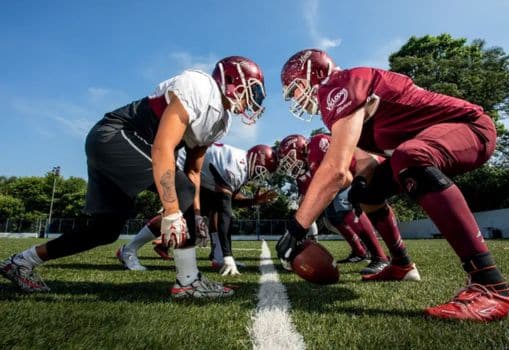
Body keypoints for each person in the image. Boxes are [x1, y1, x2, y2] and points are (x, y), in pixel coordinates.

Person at [276, 49, 509, 321]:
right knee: (367, 191)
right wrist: (360, 185)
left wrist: (296, 228)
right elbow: (363, 165)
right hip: (427, 142)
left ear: (315, 75)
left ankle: (492, 285)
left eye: (295, 89)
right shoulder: (343, 101)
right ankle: (402, 264)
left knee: (410, 157)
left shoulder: (338, 85)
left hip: (470, 127)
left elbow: (335, 170)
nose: (295, 99)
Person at [0, 56, 266, 299]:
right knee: (180, 191)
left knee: (104, 230)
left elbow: (193, 171)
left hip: (120, 146)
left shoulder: (221, 122)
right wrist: (173, 211)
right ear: (232, 80)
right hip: (115, 135)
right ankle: (187, 282)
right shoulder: (200, 86)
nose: (255, 99)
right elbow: (162, 147)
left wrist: (195, 214)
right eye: (254, 90)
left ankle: (22, 261)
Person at [117, 143, 278, 275]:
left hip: (193, 173)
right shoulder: (236, 166)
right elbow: (226, 211)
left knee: (213, 206)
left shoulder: (241, 164)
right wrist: (229, 255)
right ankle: (128, 250)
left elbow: (229, 200)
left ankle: (218, 257)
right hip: (174, 164)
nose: (260, 177)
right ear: (255, 161)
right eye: (261, 171)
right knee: (180, 212)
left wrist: (254, 201)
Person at [277, 133, 389, 274]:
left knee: (342, 202)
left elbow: (344, 178)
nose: (290, 165)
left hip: (366, 172)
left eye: (290, 159)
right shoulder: (302, 174)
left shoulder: (317, 144)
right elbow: (307, 201)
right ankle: (359, 252)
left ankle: (380, 257)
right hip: (347, 182)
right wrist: (295, 230)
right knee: (332, 215)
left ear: (302, 148)